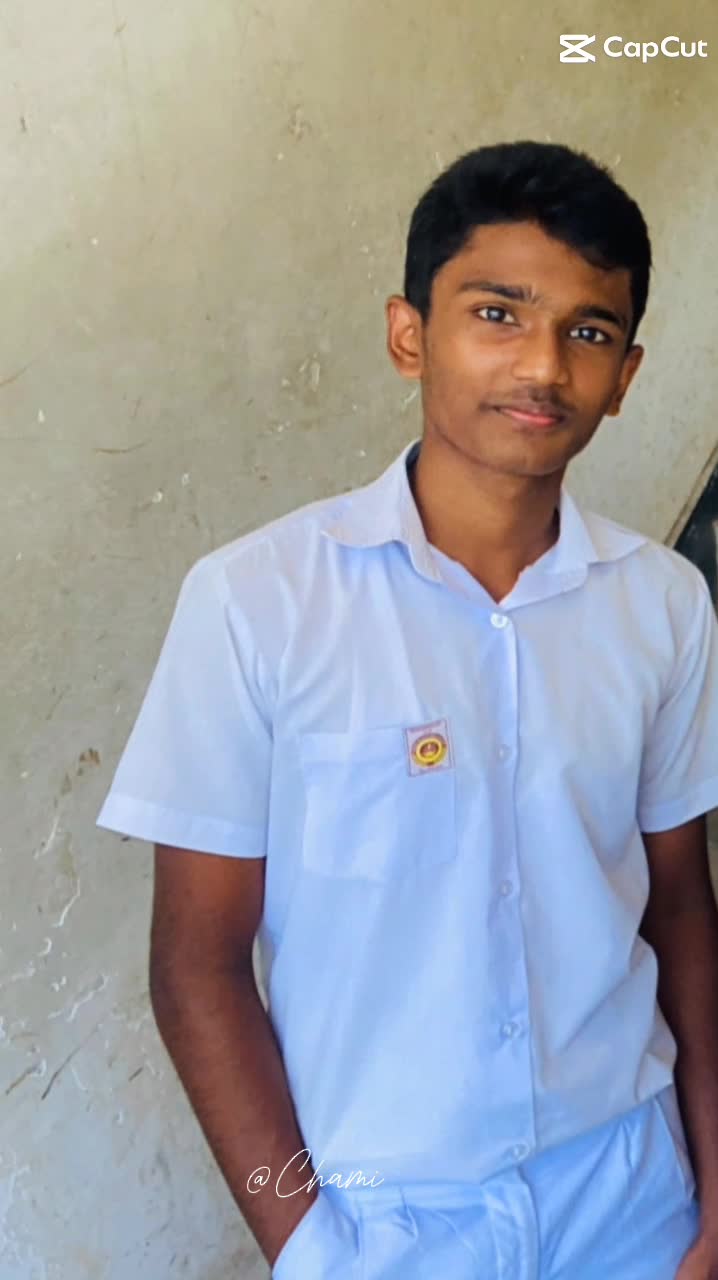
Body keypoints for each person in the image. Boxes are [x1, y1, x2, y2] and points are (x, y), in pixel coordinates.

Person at [96, 141, 718, 1279]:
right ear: (408, 334)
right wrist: (305, 1244)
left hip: (632, 1196)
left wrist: (714, 1201)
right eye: (498, 313)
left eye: (588, 331)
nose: (543, 366)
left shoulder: (663, 605)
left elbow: (680, 906)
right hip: (383, 1224)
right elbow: (197, 965)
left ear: (626, 375)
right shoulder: (258, 601)